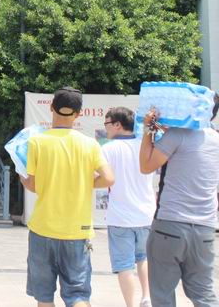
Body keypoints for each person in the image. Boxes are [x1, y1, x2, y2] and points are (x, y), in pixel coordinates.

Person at [21, 87, 115, 307]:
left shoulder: (37, 142)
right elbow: (109, 178)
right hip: (77, 231)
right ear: (78, 113)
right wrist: (86, 182)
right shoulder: (90, 144)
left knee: (44, 296)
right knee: (78, 294)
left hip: (42, 228)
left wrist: (21, 176)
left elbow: (32, 185)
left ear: (51, 107)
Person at [139, 94, 219, 307]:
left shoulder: (177, 134)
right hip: (205, 229)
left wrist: (148, 130)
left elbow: (146, 166)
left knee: (163, 295)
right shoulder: (216, 138)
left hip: (170, 225)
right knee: (204, 294)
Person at [102, 107, 154, 307]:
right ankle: (147, 297)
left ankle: (131, 305)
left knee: (124, 266)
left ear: (117, 124)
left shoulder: (108, 149)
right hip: (146, 214)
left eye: (107, 124)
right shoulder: (144, 145)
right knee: (144, 258)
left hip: (120, 217)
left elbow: (99, 177)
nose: (105, 128)